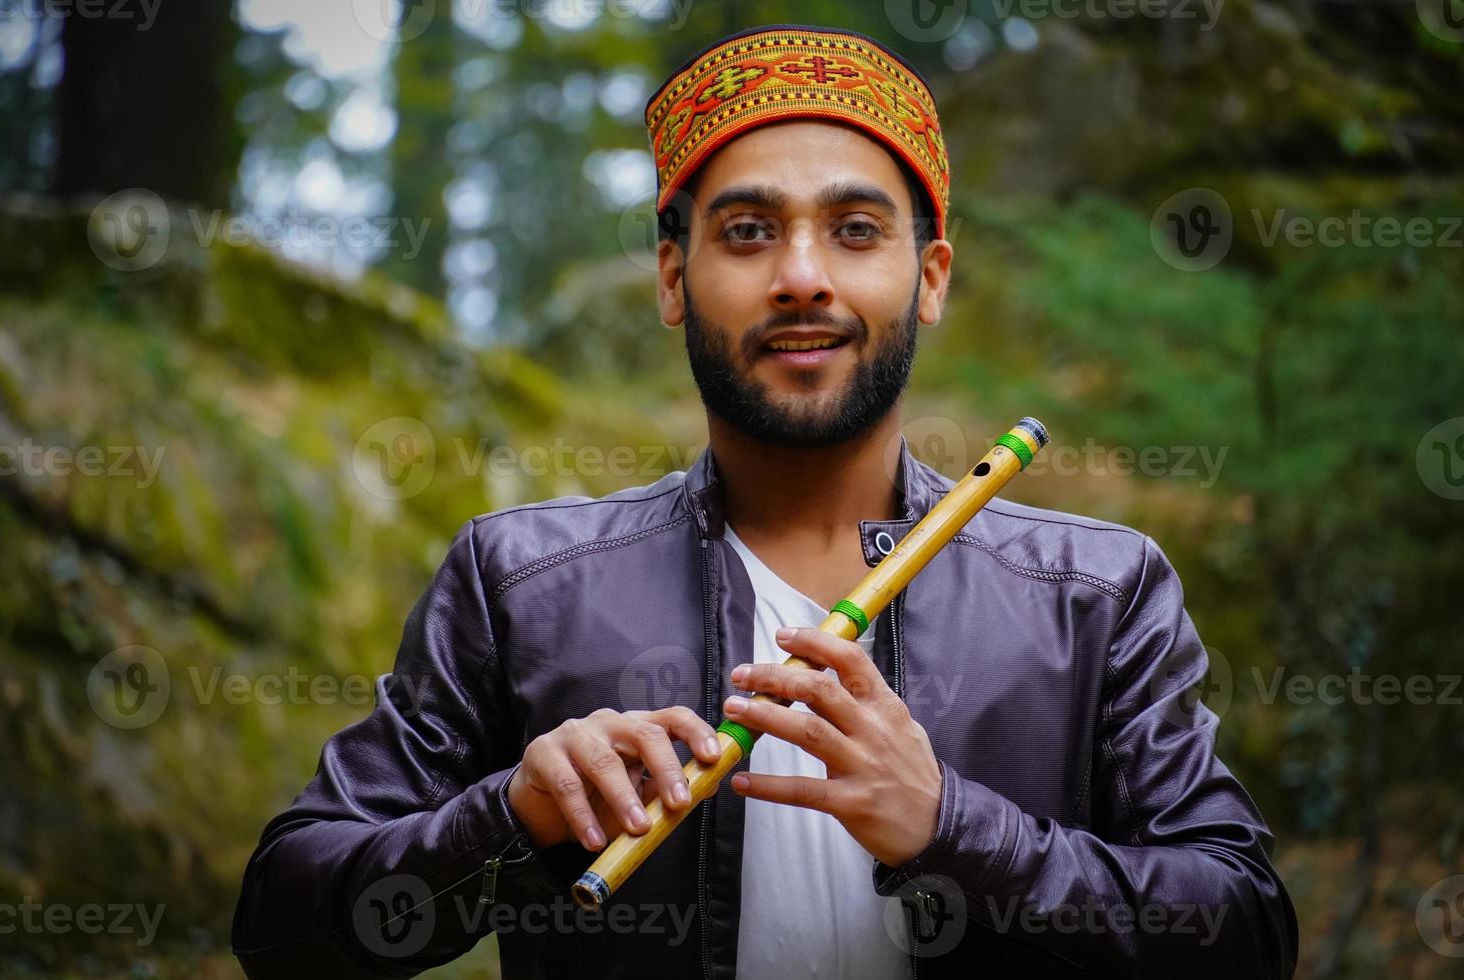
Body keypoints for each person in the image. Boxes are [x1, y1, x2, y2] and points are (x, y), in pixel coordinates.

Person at [231, 23, 1298, 979]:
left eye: (854, 231)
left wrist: (956, 826)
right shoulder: (519, 581)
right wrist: (505, 818)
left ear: (929, 277)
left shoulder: (1097, 592)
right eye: (746, 231)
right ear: (670, 277)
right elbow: (284, 925)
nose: (800, 276)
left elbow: (1245, 930)